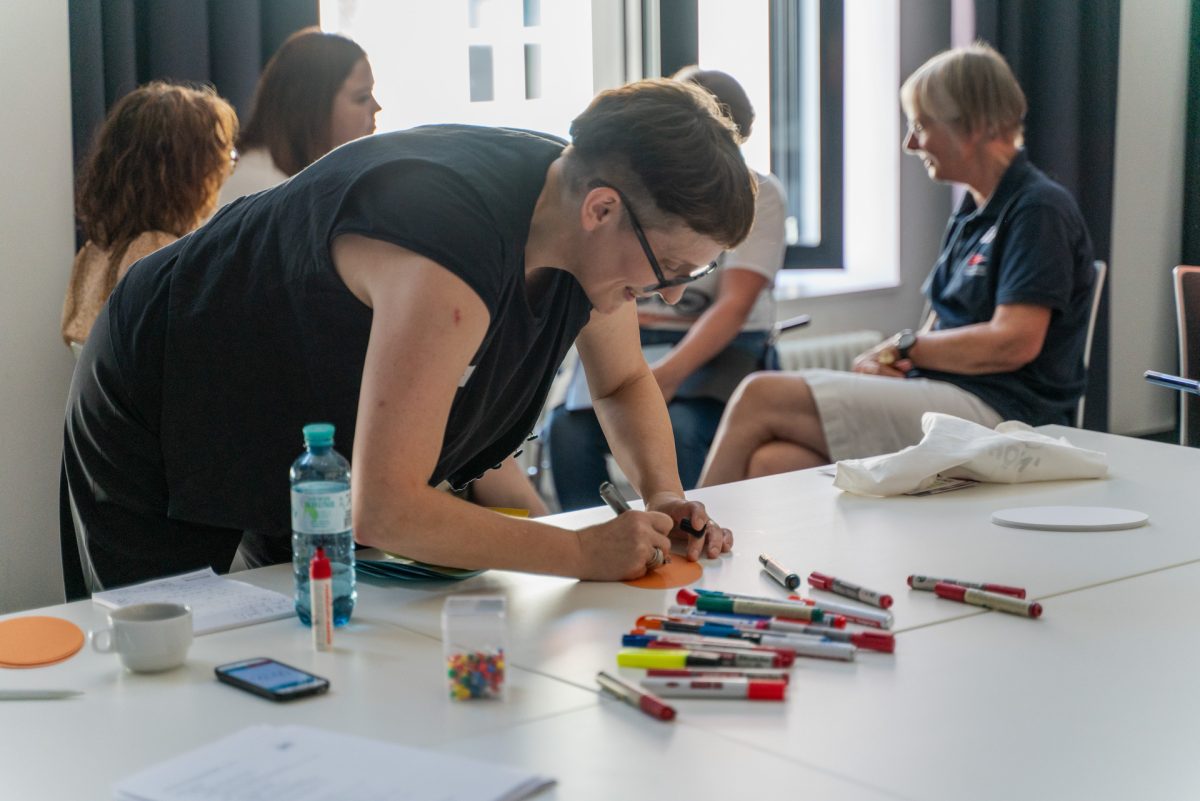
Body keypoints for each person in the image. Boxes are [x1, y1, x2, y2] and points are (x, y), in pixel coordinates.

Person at [63, 79, 755, 592]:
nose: (669, 292)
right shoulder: (447, 249)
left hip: (293, 409)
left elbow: (624, 380)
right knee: (169, 649)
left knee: (307, 638)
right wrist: (579, 552)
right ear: (602, 209)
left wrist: (663, 494)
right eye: (670, 268)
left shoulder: (588, 229)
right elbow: (387, 509)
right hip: (163, 379)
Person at [699, 42, 1095, 486]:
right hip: (954, 399)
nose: (910, 143)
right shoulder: (972, 212)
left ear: (974, 125)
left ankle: (680, 541)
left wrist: (904, 349)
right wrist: (898, 364)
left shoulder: (1038, 209)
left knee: (759, 395)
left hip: (1008, 416)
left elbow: (1014, 342)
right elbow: (939, 327)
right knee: (772, 462)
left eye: (921, 126)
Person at [545, 67, 786, 510]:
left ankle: (695, 527)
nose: (669, 292)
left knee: (682, 428)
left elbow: (733, 307)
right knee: (566, 430)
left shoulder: (761, 194)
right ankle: (599, 533)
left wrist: (666, 376)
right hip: (645, 339)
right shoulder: (618, 206)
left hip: (711, 347)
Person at [60, 82, 238, 349]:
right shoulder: (160, 254)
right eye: (220, 157)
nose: (225, 169)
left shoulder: (91, 254)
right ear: (183, 172)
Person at [215, 28, 380, 208]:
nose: (377, 107)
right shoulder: (261, 189)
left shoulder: (311, 185)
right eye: (362, 97)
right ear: (312, 104)